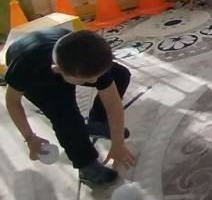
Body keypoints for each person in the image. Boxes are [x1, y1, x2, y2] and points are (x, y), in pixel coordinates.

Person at [4, 28, 135, 185]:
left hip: (65, 52)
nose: (94, 82)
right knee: (65, 116)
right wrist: (30, 138)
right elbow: (12, 102)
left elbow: (113, 104)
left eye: (96, 77)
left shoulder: (91, 61)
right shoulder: (26, 69)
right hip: (30, 66)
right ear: (58, 70)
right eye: (86, 79)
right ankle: (86, 164)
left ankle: (97, 122)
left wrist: (118, 144)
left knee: (120, 74)